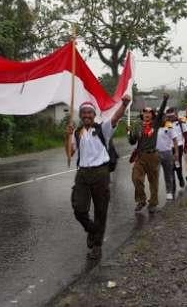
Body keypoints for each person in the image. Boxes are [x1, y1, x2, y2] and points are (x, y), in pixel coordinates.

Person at [66, 96, 130, 259]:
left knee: (101, 211)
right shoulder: (76, 132)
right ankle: (92, 229)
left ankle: (97, 246)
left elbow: (115, 117)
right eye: (84, 113)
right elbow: (69, 153)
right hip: (82, 174)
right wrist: (67, 136)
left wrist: (124, 104)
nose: (86, 115)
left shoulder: (103, 129)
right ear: (80, 115)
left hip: (101, 173)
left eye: (89, 112)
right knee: (79, 209)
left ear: (94, 115)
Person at [128, 93, 169, 213]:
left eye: (149, 113)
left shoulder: (155, 124)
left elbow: (161, 112)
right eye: (144, 112)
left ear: (152, 115)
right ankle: (141, 200)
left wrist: (164, 100)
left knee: (153, 181)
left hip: (153, 156)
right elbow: (132, 142)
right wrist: (130, 134)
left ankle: (153, 203)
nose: (146, 114)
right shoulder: (138, 126)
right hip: (140, 157)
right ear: (142, 115)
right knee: (136, 178)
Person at [156, 113, 180, 200]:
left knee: (168, 174)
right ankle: (154, 194)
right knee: (155, 175)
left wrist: (176, 153)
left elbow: (175, 140)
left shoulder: (169, 127)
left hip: (167, 153)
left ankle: (169, 191)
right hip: (156, 154)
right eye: (160, 117)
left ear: (165, 118)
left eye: (163, 117)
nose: (162, 118)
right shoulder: (154, 127)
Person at [166, 107, 187, 189]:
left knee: (177, 164)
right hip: (168, 147)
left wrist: (186, 145)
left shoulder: (180, 122)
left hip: (179, 146)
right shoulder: (166, 124)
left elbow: (185, 133)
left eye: (172, 116)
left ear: (176, 115)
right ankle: (173, 182)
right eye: (169, 116)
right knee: (170, 165)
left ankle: (180, 178)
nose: (171, 118)